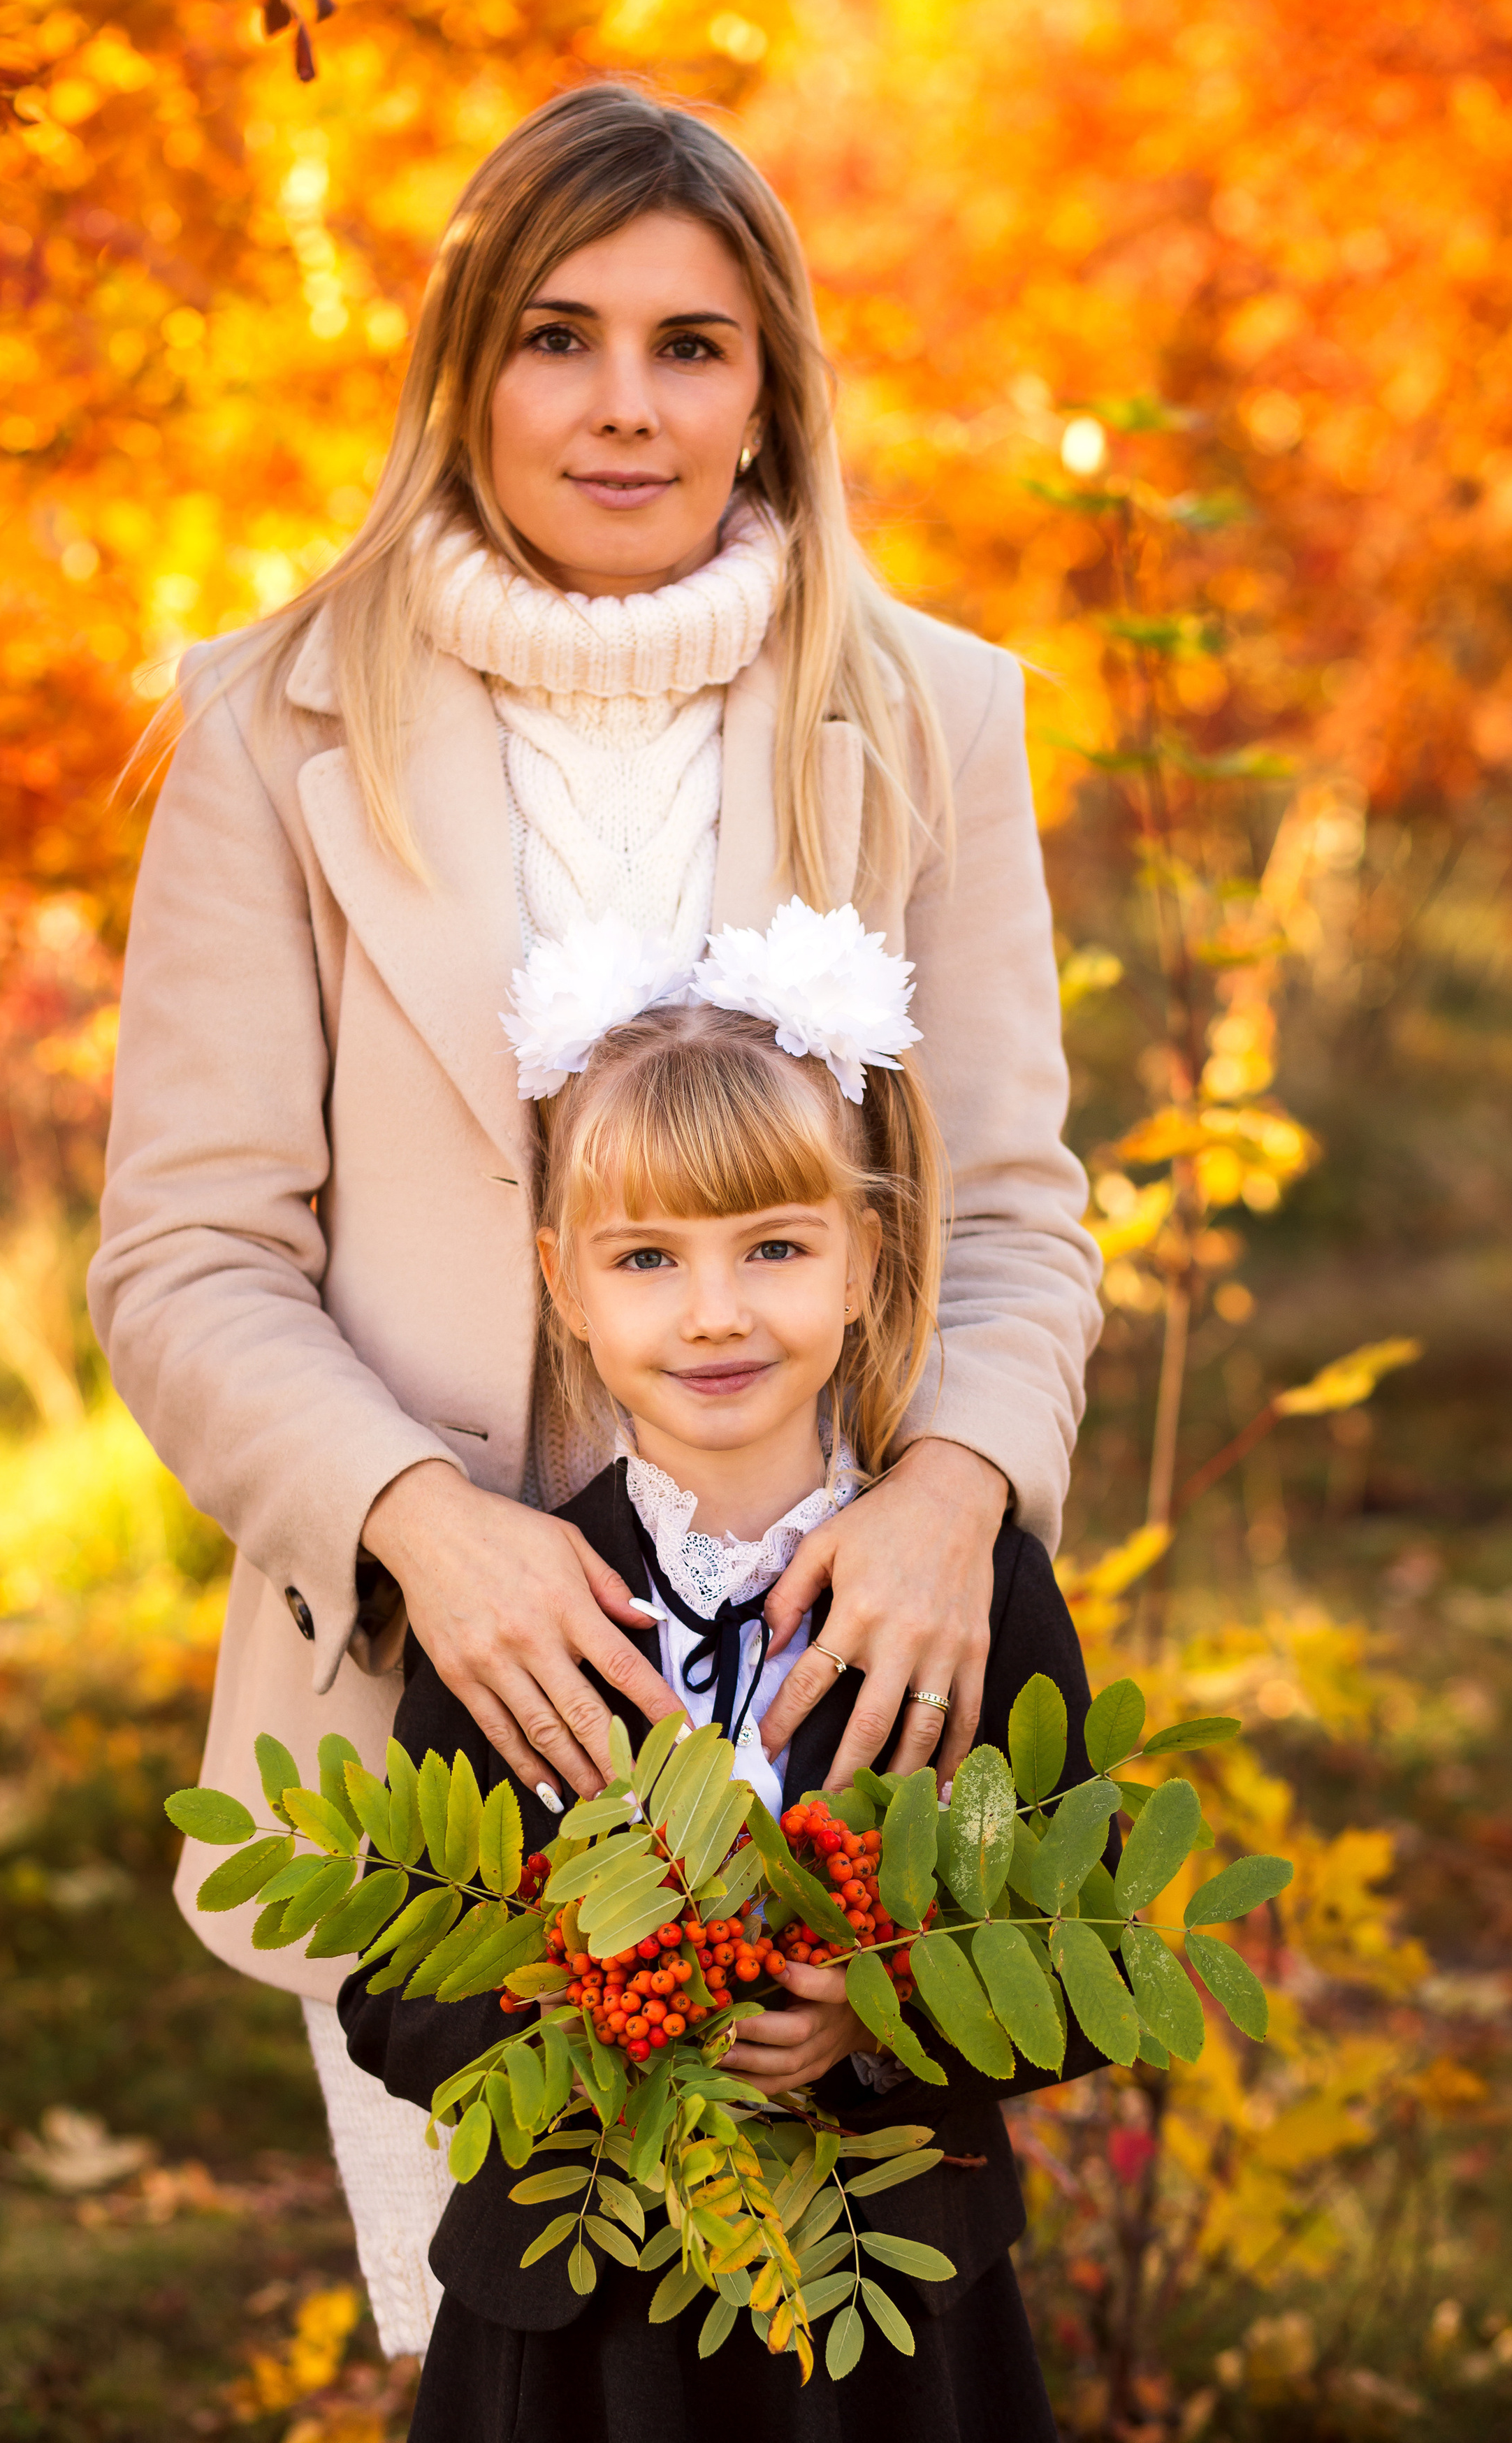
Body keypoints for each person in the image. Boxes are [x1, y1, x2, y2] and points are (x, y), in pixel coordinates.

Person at [89, 81, 1102, 2354]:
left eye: (691, 344)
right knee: (509, 2365)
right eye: (559, 337)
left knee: (840, 2372)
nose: (625, 406)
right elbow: (186, 1254)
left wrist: (956, 1491)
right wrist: (423, 1531)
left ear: (772, 387)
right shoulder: (274, 723)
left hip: (835, 1738)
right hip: (444, 1763)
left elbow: (1018, 1213)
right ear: (467, 367)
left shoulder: (931, 714)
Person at [340, 914, 1106, 2443]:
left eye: (773, 1247)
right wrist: (585, 1997)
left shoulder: (971, 1589)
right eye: (646, 1259)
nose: (712, 1311)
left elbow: (1081, 1957)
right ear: (564, 1284)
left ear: (864, 1259)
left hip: (882, 2316)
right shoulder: (514, 1610)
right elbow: (393, 1996)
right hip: (576, 2320)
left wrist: (875, 2015)